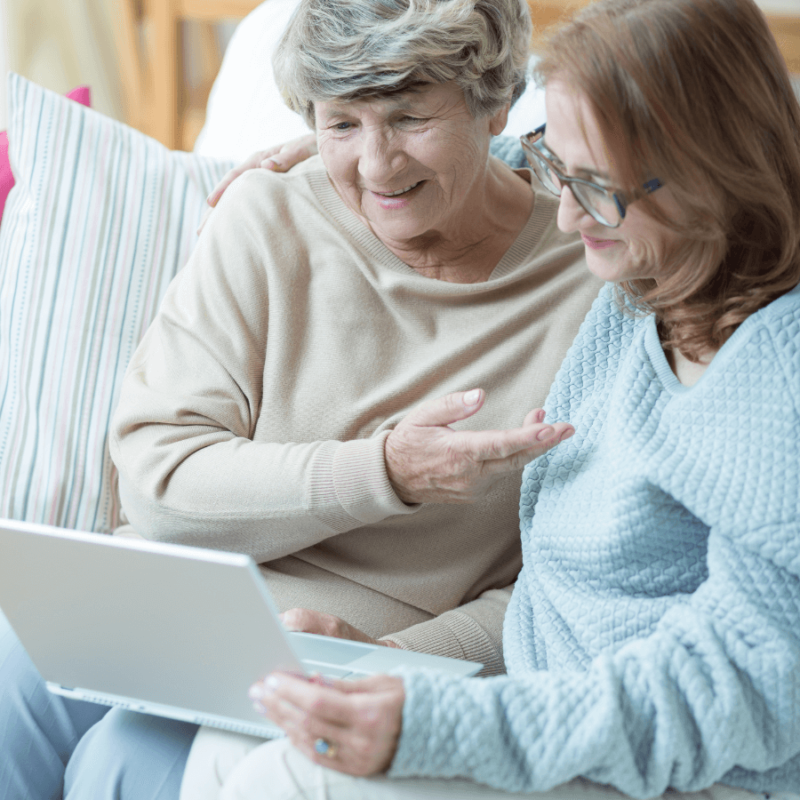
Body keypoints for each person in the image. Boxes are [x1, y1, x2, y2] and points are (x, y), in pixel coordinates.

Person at [177, 0, 800, 798]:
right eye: (558, 167)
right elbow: (504, 151)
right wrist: (372, 154)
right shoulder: (657, 273)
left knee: (290, 778)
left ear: (711, 172)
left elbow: (732, 697)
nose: (569, 215)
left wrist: (443, 723)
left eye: (595, 188)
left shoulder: (772, 386)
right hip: (540, 700)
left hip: (665, 761)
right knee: (229, 746)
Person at [0, 1, 603, 797]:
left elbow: (574, 582)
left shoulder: (593, 278)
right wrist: (382, 470)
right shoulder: (268, 210)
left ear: (496, 100)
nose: (377, 166)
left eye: (411, 117)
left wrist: (400, 665)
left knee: (125, 764)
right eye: (341, 123)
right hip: (178, 600)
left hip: (367, 646)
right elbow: (158, 484)